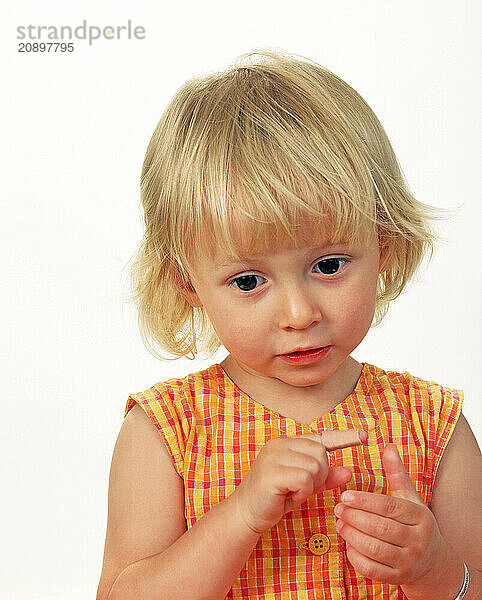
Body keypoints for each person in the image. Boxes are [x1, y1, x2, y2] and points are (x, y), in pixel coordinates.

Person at [97, 49, 481, 600]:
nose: (299, 315)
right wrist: (238, 518)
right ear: (187, 283)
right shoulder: (165, 431)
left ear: (386, 245)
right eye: (249, 281)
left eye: (328, 266)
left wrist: (435, 571)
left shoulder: (432, 425)